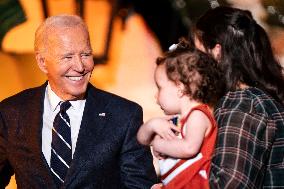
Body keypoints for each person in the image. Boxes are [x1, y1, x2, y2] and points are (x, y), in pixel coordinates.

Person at [0, 14, 157, 188]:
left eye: (85, 54)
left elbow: (139, 185)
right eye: (68, 57)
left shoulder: (124, 116)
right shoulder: (11, 113)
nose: (80, 67)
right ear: (42, 62)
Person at [193, 6, 284, 188]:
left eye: (198, 53)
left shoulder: (241, 104)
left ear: (217, 52)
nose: (194, 64)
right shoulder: (264, 98)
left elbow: (229, 184)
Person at [137, 39, 225, 189]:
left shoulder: (199, 115)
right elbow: (142, 140)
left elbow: (189, 148)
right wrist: (151, 125)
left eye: (160, 87)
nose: (156, 95)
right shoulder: (175, 120)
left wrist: (159, 144)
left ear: (180, 88)